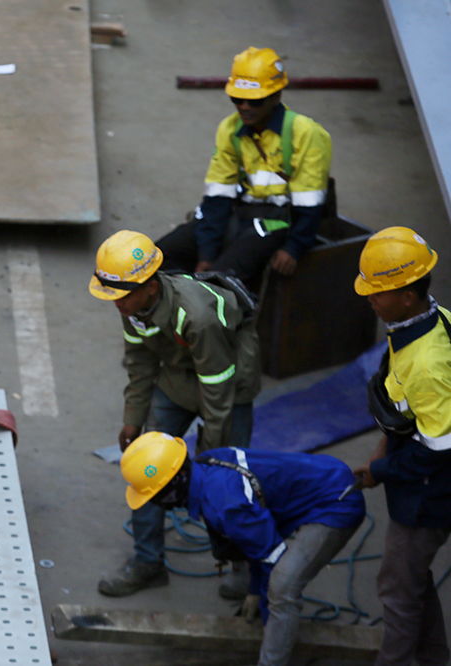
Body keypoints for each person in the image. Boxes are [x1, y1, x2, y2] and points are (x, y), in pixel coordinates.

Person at [90, 230, 261, 598]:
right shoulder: (130, 304)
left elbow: (218, 392)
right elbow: (139, 359)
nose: (115, 303)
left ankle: (243, 566)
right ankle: (148, 563)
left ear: (151, 286)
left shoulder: (196, 315)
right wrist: (133, 417)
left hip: (228, 378)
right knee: (144, 467)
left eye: (121, 295)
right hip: (177, 375)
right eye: (111, 294)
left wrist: (211, 456)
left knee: (229, 478)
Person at [121, 432, 366, 666]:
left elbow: (272, 558)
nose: (152, 502)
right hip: (324, 475)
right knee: (268, 572)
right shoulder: (206, 464)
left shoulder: (225, 505)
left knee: (282, 588)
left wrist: (267, 608)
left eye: (152, 495)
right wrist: (254, 591)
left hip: (336, 503)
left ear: (171, 488)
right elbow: (255, 541)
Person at [351, 227, 451, 666]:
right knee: (411, 580)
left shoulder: (428, 365)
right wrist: (382, 449)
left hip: (430, 491)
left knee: (396, 587)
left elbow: (437, 448)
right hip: (420, 467)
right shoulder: (433, 319)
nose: (369, 298)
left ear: (409, 295)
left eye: (379, 292)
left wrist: (382, 471)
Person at [155, 46, 332, 289]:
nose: (245, 107)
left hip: (278, 223)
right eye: (237, 99)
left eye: (255, 101)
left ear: (276, 97)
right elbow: (218, 195)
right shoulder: (230, 130)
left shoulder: (305, 133)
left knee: (216, 283)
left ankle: (221, 319)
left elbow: (309, 202)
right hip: (238, 214)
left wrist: (294, 248)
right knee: (157, 259)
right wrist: (206, 252)